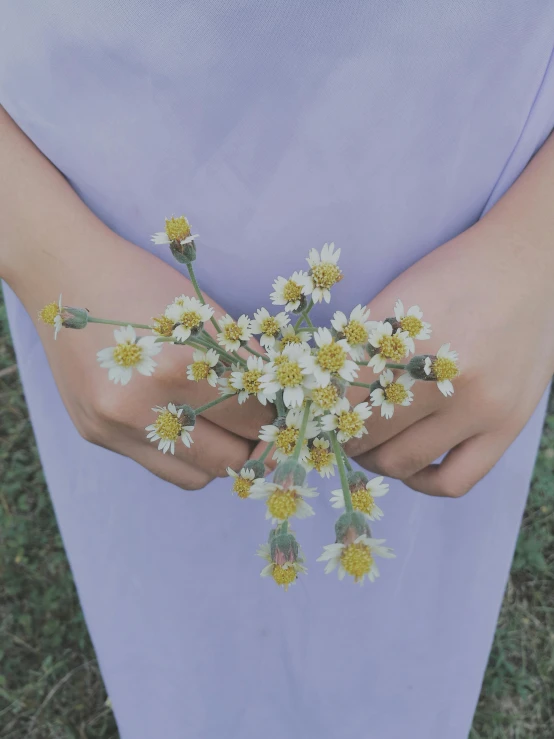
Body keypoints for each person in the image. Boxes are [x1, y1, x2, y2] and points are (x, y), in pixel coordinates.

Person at [1, 2, 553, 737]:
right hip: (97, 182)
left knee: (411, 614)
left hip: (467, 181)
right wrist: (42, 246)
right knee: (169, 596)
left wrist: (535, 248)